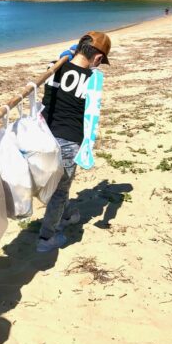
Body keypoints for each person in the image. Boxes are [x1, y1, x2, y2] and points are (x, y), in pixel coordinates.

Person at [37, 31, 112, 253]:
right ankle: (46, 238)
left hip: (46, 136)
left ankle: (68, 215)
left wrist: (70, 54)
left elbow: (47, 101)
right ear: (97, 58)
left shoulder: (54, 67)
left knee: (59, 184)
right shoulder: (93, 78)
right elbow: (92, 112)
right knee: (59, 191)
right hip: (70, 140)